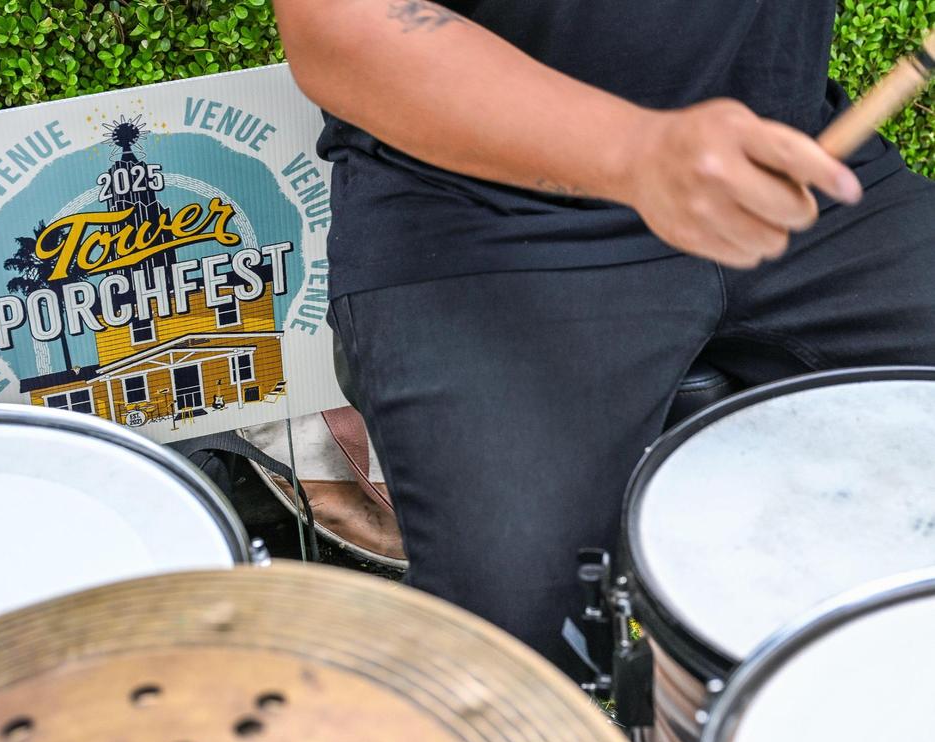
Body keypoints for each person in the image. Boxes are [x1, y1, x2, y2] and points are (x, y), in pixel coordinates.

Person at [273, 0, 935, 675]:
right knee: (520, 640)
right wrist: (638, 153)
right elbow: (338, 28)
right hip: (479, 215)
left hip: (792, 174)